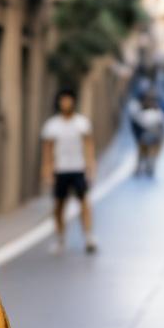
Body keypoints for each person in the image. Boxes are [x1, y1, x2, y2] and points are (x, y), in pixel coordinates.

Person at [41, 89, 97, 254]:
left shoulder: (82, 123)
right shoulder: (52, 125)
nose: (65, 103)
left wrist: (90, 166)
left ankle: (88, 237)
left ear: (73, 102)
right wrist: (47, 170)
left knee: (84, 202)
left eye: (68, 100)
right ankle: (60, 238)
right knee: (59, 206)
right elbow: (47, 149)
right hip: (60, 170)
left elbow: (88, 146)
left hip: (78, 169)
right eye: (62, 101)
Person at [136, 95, 164, 177]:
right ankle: (148, 167)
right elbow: (162, 126)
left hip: (147, 135)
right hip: (152, 136)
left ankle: (142, 167)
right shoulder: (157, 113)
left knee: (144, 152)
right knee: (149, 152)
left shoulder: (144, 113)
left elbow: (140, 124)